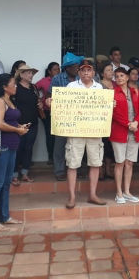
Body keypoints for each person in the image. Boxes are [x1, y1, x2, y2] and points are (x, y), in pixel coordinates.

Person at [0, 73, 29, 231]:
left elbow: (9, 121)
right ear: (5, 86)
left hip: (12, 145)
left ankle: (4, 216)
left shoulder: (9, 101)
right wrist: (17, 130)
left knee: (6, 183)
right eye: (13, 84)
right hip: (2, 145)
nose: (16, 86)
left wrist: (20, 126)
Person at [64, 59, 107, 208]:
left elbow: (104, 109)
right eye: (83, 70)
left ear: (93, 73)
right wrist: (53, 101)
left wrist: (110, 105)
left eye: (89, 70)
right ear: (79, 72)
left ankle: (93, 195)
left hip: (95, 130)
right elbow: (63, 105)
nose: (86, 72)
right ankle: (72, 197)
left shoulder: (99, 88)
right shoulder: (71, 86)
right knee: (73, 163)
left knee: (95, 163)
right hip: (76, 130)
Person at [110, 67, 139, 204]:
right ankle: (118, 192)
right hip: (120, 131)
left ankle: (126, 192)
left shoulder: (135, 91)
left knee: (130, 162)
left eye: (121, 75)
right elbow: (113, 114)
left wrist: (136, 122)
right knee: (119, 162)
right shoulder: (112, 93)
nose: (119, 78)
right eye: (117, 76)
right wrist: (129, 124)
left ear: (127, 77)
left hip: (135, 130)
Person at [50, 52, 83, 181]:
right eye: (75, 67)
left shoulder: (81, 80)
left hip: (79, 118)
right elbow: (49, 96)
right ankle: (59, 171)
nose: (77, 69)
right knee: (60, 145)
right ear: (67, 68)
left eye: (78, 66)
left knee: (77, 145)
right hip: (62, 118)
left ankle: (76, 169)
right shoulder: (57, 79)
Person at [12, 64, 41, 185]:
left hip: (33, 123)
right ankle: (13, 175)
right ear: (21, 75)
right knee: (17, 150)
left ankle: (24, 173)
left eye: (31, 73)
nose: (31, 75)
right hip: (18, 125)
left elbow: (36, 101)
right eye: (28, 73)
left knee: (28, 149)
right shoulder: (15, 88)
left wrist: (39, 104)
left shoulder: (34, 88)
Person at [35, 62, 60, 165]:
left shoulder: (62, 80)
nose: (57, 71)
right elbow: (33, 88)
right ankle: (51, 157)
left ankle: (59, 157)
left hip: (61, 112)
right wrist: (40, 100)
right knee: (50, 135)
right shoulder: (44, 81)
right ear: (49, 71)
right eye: (55, 69)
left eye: (58, 69)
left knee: (59, 136)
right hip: (47, 112)